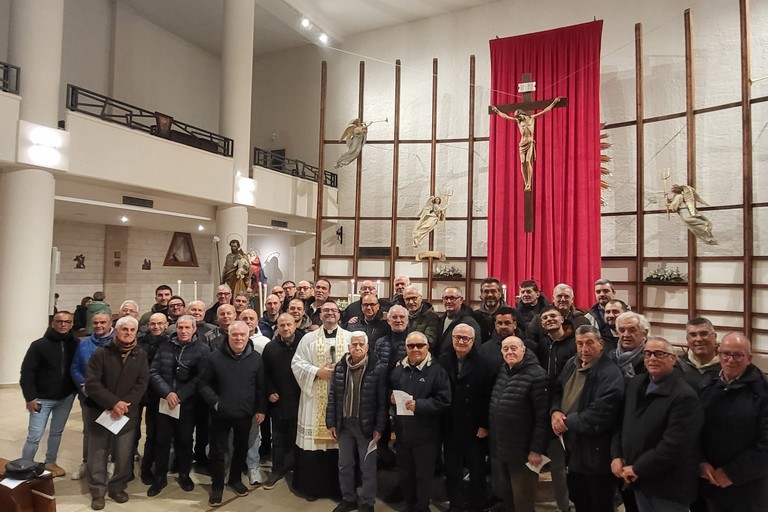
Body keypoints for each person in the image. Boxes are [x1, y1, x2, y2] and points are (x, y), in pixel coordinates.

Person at [611, 337, 704, 512]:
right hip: (638, 479)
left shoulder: (684, 396)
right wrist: (616, 455)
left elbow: (674, 445)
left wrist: (638, 468)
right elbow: (621, 423)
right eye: (648, 354)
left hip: (668, 486)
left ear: (673, 358)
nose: (652, 358)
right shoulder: (636, 384)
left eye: (659, 354)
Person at [550, 325, 624, 512]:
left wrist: (566, 422)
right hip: (573, 451)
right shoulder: (571, 364)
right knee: (579, 498)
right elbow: (556, 390)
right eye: (580, 343)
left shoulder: (610, 373)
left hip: (596, 455)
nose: (584, 349)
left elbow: (600, 414)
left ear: (601, 344)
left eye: (590, 343)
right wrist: (555, 411)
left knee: (598, 503)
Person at [84, 316, 149, 510]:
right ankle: (98, 491)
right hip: (102, 410)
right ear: (116, 330)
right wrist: (114, 403)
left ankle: (117, 487)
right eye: (124, 329)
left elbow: (142, 382)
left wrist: (124, 404)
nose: (128, 333)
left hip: (127, 413)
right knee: (98, 453)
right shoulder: (101, 353)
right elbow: (92, 383)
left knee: (123, 454)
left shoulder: (141, 354)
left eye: (131, 330)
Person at [199, 320, 267, 506]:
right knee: (218, 452)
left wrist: (261, 408)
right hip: (220, 414)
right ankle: (217, 486)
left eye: (242, 335)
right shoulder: (214, 358)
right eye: (234, 334)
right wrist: (216, 403)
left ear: (248, 336)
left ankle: (235, 480)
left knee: (240, 449)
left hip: (245, 414)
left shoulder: (256, 359)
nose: (238, 338)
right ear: (228, 336)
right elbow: (203, 384)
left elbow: (261, 387)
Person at [698, 333, 768, 512]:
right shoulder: (707, 382)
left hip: (746, 487)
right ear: (718, 354)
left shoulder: (763, 392)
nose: (730, 360)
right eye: (725, 354)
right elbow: (694, 429)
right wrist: (700, 462)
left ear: (749, 358)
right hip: (706, 480)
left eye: (738, 355)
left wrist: (731, 474)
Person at [290, 300, 350, 500]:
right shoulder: (308, 339)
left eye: (333, 310)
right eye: (326, 310)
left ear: (339, 314)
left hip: (342, 399)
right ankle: (313, 488)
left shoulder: (350, 338)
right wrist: (317, 372)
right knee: (315, 446)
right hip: (314, 396)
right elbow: (297, 363)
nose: (330, 313)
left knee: (339, 445)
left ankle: (339, 489)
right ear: (320, 314)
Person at [147, 315, 209, 496]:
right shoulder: (165, 346)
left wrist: (180, 395)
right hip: (165, 402)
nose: (183, 331)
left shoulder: (202, 350)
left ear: (194, 329)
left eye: (187, 328)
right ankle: (159, 476)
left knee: (185, 440)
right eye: (180, 327)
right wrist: (167, 392)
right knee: (162, 440)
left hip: (187, 404)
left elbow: (201, 377)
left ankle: (184, 474)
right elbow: (153, 371)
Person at [390, 331, 451, 512]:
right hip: (403, 434)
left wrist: (420, 405)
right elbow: (392, 389)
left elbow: (444, 400)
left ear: (427, 347)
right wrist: (392, 399)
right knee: (406, 475)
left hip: (426, 436)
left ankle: (422, 508)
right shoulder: (399, 369)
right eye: (411, 346)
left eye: (419, 346)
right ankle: (410, 506)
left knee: (423, 477)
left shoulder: (437, 370)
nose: (415, 349)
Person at [326, 332, 387, 512]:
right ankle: (348, 498)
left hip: (366, 426)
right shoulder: (340, 367)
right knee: (344, 464)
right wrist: (331, 422)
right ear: (348, 348)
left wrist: (379, 427)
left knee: (367, 467)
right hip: (344, 424)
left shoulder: (378, 368)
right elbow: (333, 396)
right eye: (354, 345)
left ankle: (368, 502)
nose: (358, 348)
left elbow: (382, 402)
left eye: (361, 344)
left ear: (367, 347)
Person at [488, 336, 548, 512]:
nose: (509, 352)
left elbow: (542, 417)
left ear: (524, 350)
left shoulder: (537, 375)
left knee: (523, 501)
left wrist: (536, 450)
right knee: (508, 498)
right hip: (503, 449)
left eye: (514, 348)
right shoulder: (504, 370)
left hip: (524, 453)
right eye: (505, 349)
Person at [438, 324, 493, 512]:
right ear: (452, 338)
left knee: (477, 471)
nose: (461, 341)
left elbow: (489, 396)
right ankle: (456, 505)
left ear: (473, 340)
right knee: (452, 471)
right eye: (457, 337)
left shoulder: (483, 363)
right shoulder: (443, 360)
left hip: (475, 427)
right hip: (451, 426)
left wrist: (484, 425)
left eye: (465, 338)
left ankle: (477, 506)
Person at [20, 311, 78, 478]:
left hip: (65, 398)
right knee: (34, 436)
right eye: (59, 321)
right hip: (41, 399)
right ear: (53, 323)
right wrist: (30, 397)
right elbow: (27, 372)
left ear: (71, 324)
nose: (63, 324)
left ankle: (50, 462)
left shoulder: (75, 344)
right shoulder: (38, 345)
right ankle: (25, 465)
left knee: (56, 432)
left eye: (67, 322)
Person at [70, 312, 116, 480]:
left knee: (111, 430)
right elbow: (75, 367)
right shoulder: (84, 343)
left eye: (103, 322)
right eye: (95, 323)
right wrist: (84, 385)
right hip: (88, 396)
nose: (99, 326)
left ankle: (110, 462)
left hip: (110, 396)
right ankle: (86, 462)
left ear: (110, 323)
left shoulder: (118, 341)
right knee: (89, 431)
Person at [262, 312, 304, 490]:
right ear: (277, 328)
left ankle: (299, 470)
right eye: (282, 325)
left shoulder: (304, 344)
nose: (286, 328)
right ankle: (278, 469)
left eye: (289, 325)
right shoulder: (270, 348)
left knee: (298, 437)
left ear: (295, 325)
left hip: (301, 400)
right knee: (278, 438)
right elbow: (264, 373)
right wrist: (270, 391)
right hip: (279, 401)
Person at [491, 97, 560, 191]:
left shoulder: (532, 118)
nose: (518, 119)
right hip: (522, 143)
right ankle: (525, 182)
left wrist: (554, 103)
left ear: (522, 114)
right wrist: (497, 111)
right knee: (522, 162)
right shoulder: (518, 121)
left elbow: (544, 111)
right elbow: (506, 116)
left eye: (519, 117)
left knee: (528, 161)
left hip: (530, 142)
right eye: (517, 118)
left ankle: (529, 183)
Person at [436, 286, 481, 357]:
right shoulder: (440, 320)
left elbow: (476, 349)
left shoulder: (469, 322)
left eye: (452, 298)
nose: (448, 301)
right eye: (446, 298)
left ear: (461, 300)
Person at [678, 317, 720, 390]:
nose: (699, 339)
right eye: (693, 335)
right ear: (687, 339)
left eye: (704, 334)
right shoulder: (678, 367)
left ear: (714, 337)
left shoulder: (726, 367)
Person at [473, 277, 508, 343]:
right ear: (481, 295)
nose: (490, 295)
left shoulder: (512, 314)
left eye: (493, 291)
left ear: (500, 293)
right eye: (486, 291)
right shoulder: (474, 316)